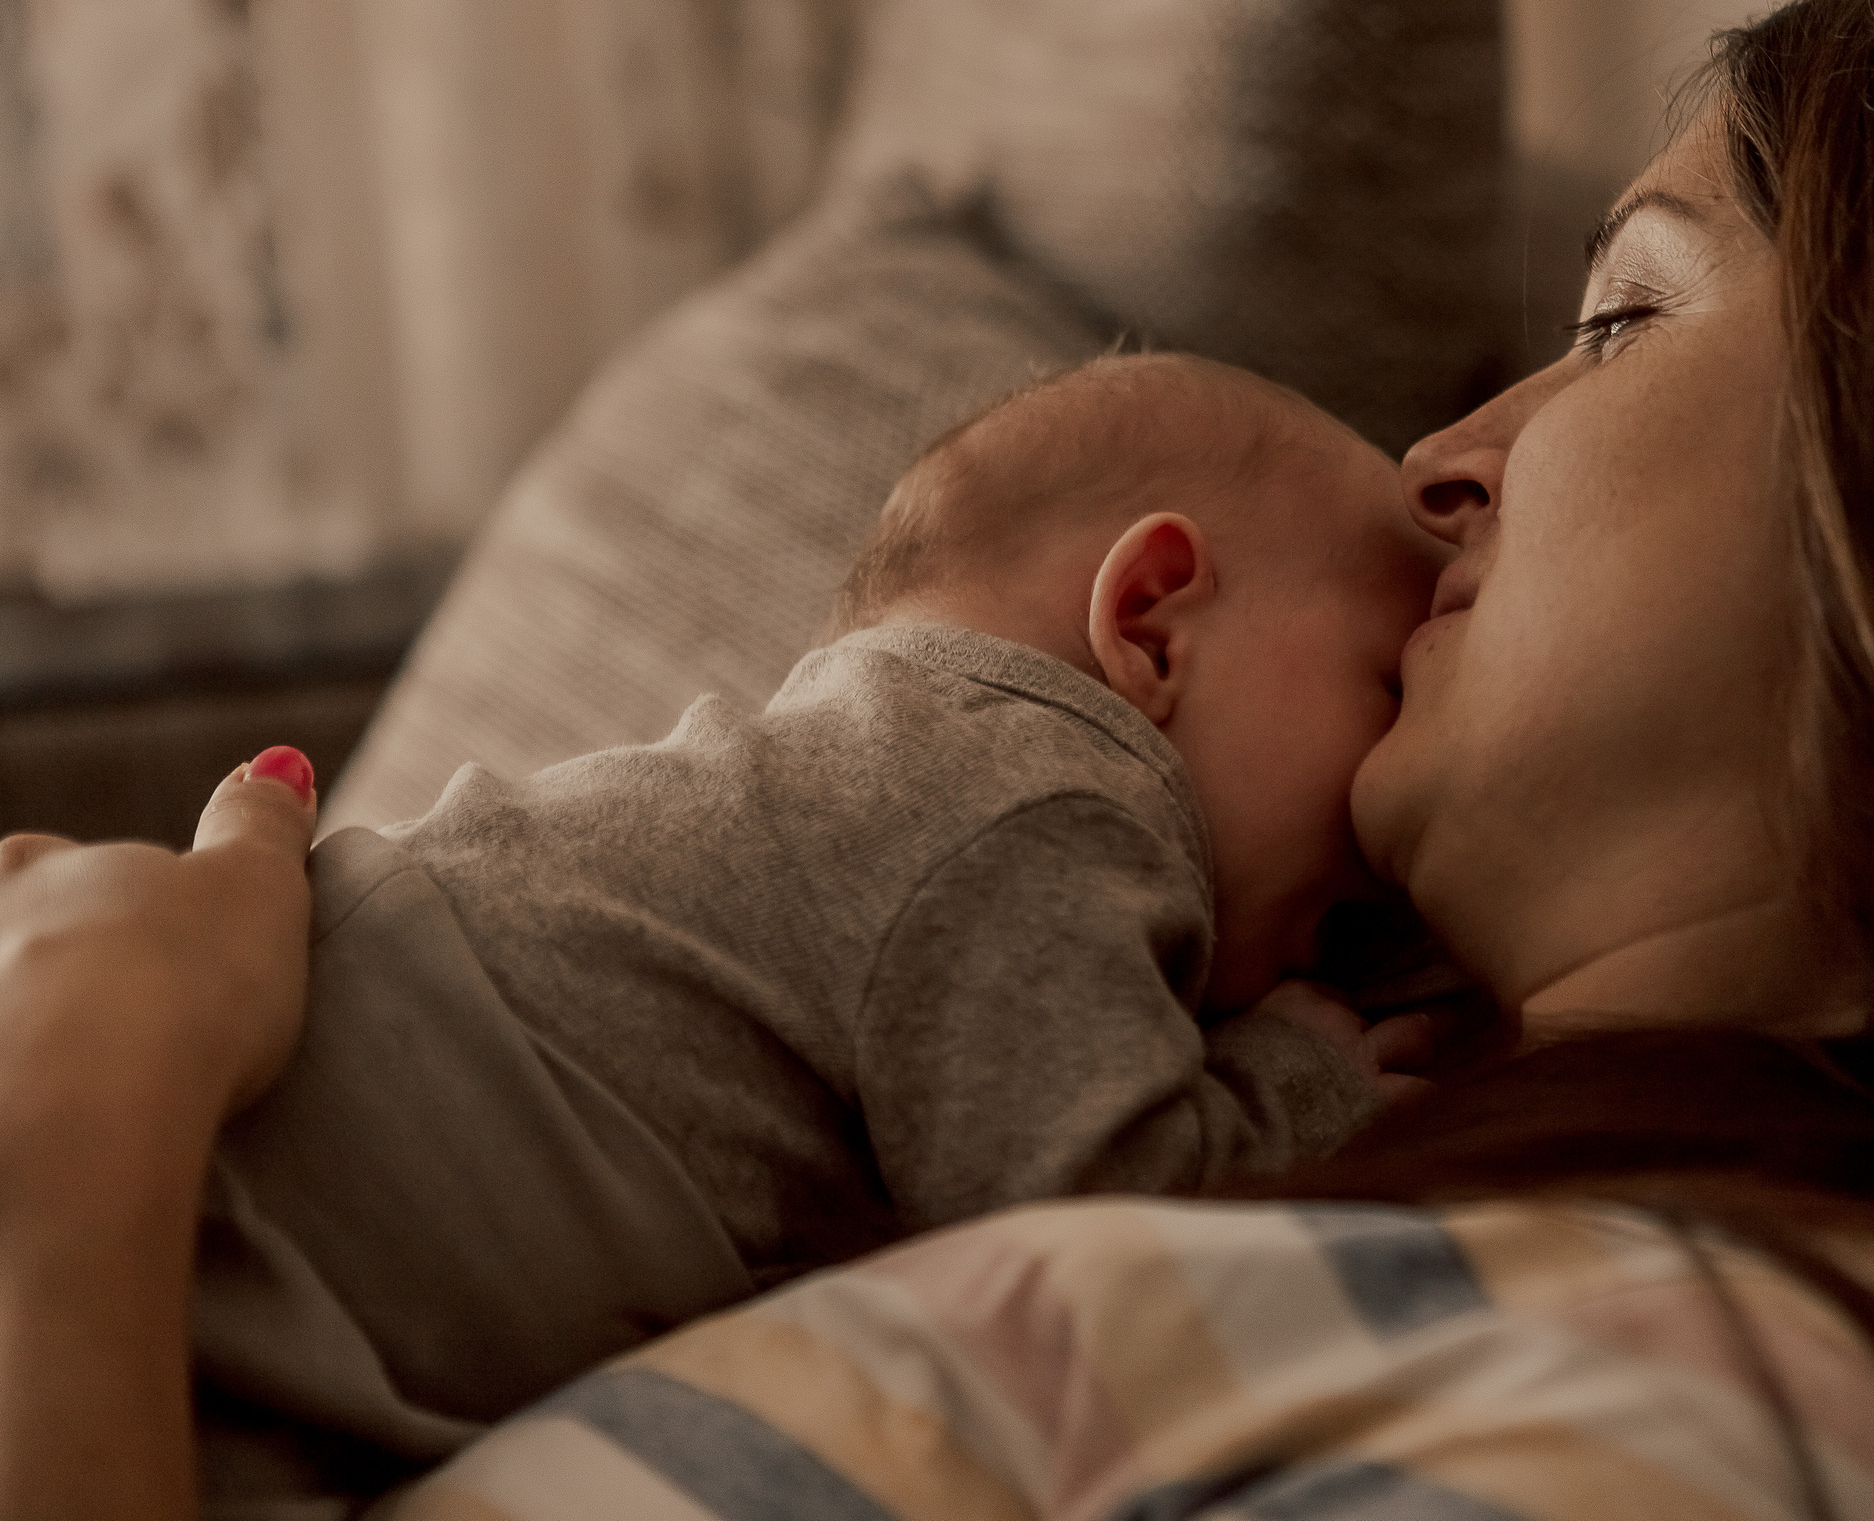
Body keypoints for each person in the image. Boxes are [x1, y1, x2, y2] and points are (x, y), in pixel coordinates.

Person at [7, 0, 1874, 1521]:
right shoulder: (1361, 1168)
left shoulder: (1727, 1423)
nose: (1445, 455)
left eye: (1623, 322)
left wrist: (82, 1153)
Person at [178, 352, 1454, 1502]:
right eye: (1385, 686)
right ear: (1149, 619)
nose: (1392, 783)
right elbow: (1086, 1232)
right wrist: (1295, 1089)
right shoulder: (1024, 788)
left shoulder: (871, 785)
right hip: (277, 1190)